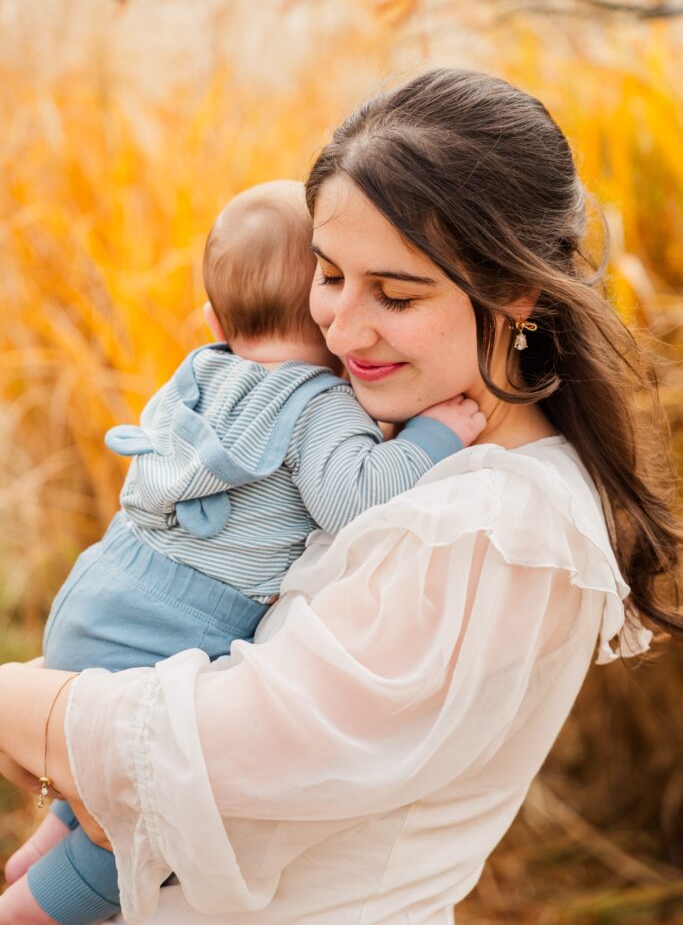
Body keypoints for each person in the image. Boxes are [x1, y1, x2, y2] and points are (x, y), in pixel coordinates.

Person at [1, 67, 681, 925]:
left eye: (395, 294)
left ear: (519, 294)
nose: (341, 328)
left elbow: (224, 751)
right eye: (326, 276)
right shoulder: (406, 459)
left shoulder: (491, 529)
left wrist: (23, 704)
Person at [0, 180, 484, 925]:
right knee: (143, 821)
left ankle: (41, 846)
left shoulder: (199, 369)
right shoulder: (317, 403)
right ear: (326, 320)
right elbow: (353, 496)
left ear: (214, 317)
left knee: (99, 780)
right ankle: (31, 909)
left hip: (100, 589)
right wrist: (432, 437)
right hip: (171, 623)